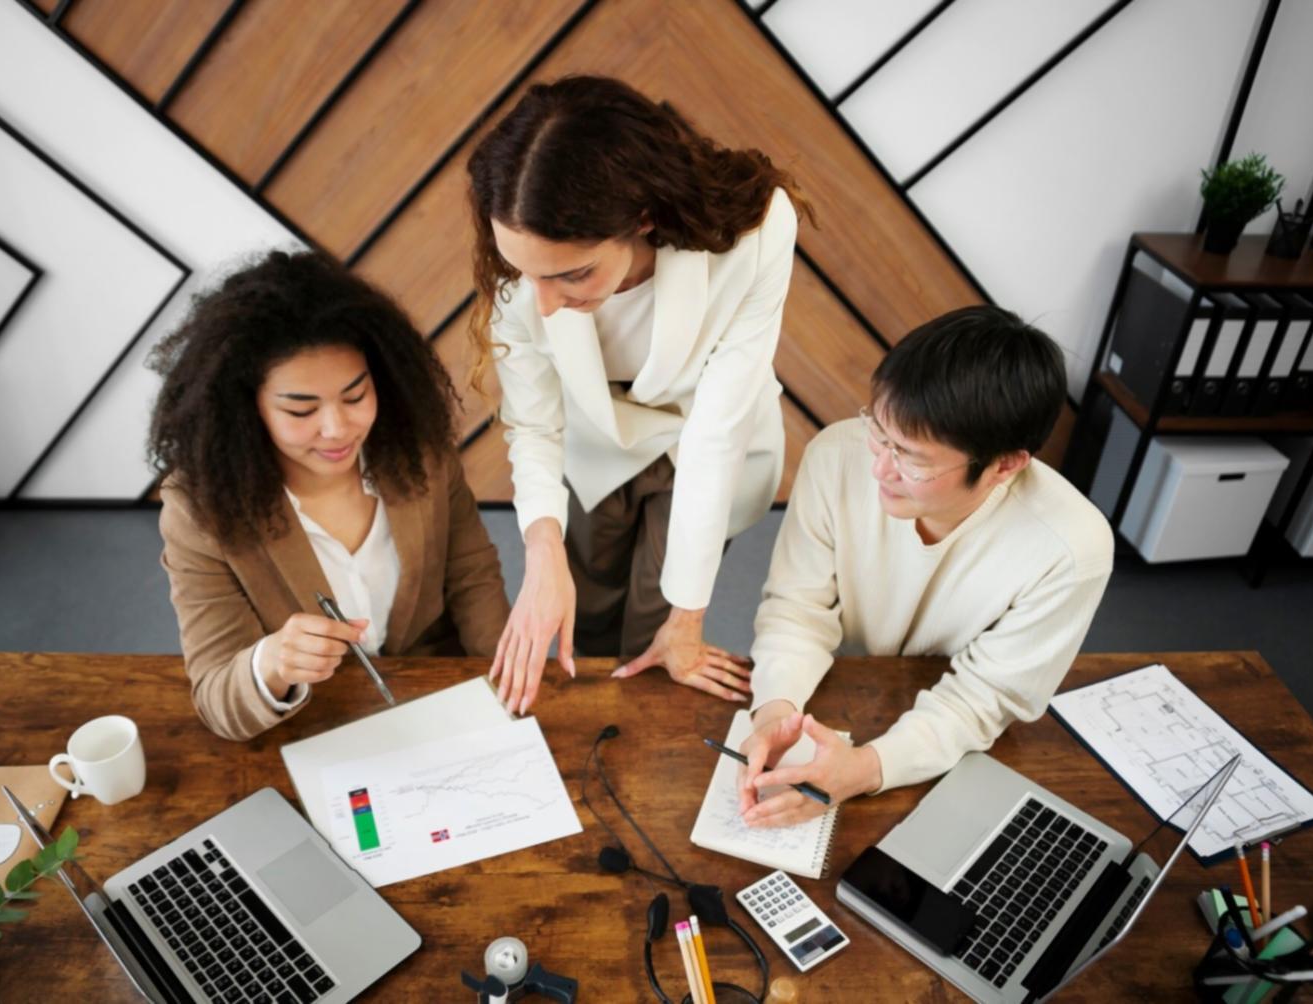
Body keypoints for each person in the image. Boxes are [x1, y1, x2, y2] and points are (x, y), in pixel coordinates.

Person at [466, 75, 814, 714]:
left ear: (644, 218)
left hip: (707, 446)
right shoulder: (527, 277)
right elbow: (534, 424)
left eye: (572, 274)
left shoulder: (758, 234)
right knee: (585, 609)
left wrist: (687, 621)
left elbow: (717, 429)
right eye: (523, 273)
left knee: (658, 627)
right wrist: (541, 551)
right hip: (594, 444)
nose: (542, 303)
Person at [737, 305, 1114, 826]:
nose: (880, 467)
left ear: (1004, 465)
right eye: (880, 431)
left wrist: (865, 769)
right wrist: (777, 710)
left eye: (912, 457)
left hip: (950, 751)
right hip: (834, 692)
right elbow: (797, 609)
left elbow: (982, 700)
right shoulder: (835, 457)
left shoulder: (1071, 548)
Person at [148, 250, 510, 741]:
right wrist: (270, 664)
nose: (337, 429)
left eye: (356, 396)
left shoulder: (418, 450)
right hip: (311, 724)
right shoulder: (201, 510)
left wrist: (507, 682)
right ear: (245, 407)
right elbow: (217, 700)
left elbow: (472, 576)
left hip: (437, 703)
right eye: (301, 410)